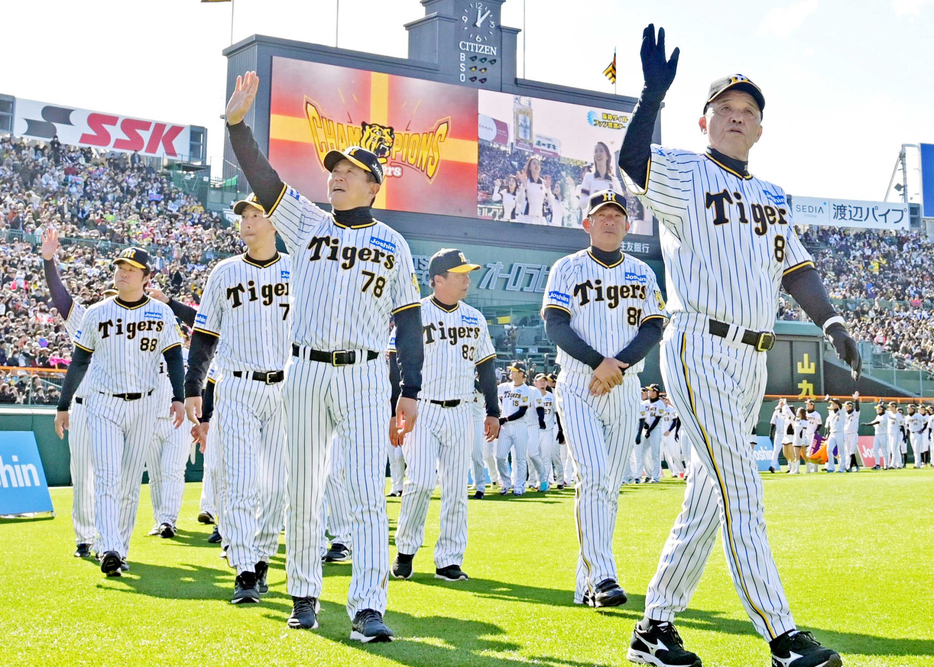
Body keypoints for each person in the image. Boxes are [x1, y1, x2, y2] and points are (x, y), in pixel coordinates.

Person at [618, 25, 858, 667]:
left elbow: (796, 268)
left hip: (752, 354)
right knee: (740, 490)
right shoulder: (685, 171)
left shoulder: (774, 196)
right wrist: (648, 100)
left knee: (708, 498)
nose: (736, 117)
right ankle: (781, 634)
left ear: (759, 129)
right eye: (725, 109)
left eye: (747, 112)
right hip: (699, 343)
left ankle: (653, 628)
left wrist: (830, 322)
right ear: (705, 121)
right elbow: (632, 163)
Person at [224, 71, 423, 641]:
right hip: (305, 370)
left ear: (373, 187)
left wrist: (408, 389)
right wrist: (238, 125)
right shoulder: (306, 223)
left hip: (364, 374)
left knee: (362, 489)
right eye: (333, 171)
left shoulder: (393, 243)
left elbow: (408, 320)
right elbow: (263, 178)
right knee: (303, 488)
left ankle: (366, 606)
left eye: (350, 173)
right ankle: (305, 594)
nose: (337, 178)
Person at [542, 189, 665, 607]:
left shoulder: (643, 272)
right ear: (587, 224)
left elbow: (653, 327)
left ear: (628, 226)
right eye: (602, 215)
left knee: (608, 487)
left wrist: (620, 365)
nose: (610, 220)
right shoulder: (567, 267)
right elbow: (555, 324)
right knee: (593, 476)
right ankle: (604, 575)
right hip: (579, 382)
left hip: (624, 385)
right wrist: (599, 362)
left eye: (617, 215)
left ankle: (586, 584)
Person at [183, 194, 291, 605]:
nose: (246, 221)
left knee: (278, 486)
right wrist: (194, 386)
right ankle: (245, 569)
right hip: (238, 385)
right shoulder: (224, 272)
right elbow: (205, 334)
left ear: (274, 222)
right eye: (242, 215)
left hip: (286, 386)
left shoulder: (298, 271)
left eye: (255, 214)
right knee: (242, 482)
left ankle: (261, 556)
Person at [53, 247, 185, 577]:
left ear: (145, 277)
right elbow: (79, 361)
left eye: (131, 268)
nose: (123, 272)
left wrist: (179, 398)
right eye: (120, 266)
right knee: (109, 478)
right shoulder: (96, 313)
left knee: (127, 482)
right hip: (103, 403)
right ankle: (109, 546)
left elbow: (173, 358)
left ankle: (119, 549)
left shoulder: (160, 313)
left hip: (145, 404)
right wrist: (62, 405)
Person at [390, 249, 499, 583]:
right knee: (420, 480)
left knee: (455, 489)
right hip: (422, 407)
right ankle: (406, 551)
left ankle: (448, 560)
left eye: (468, 273)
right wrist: (394, 408)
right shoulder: (414, 314)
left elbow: (487, 367)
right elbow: (394, 363)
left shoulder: (475, 318)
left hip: (461, 410)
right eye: (460, 274)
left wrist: (493, 411)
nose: (467, 279)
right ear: (438, 279)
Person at [39, 227, 117, 558]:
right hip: (85, 407)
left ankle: (111, 540)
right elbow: (61, 300)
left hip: (117, 408)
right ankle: (86, 538)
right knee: (82, 474)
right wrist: (48, 261)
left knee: (111, 478)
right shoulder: (89, 318)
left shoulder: (140, 321)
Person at [496, 362, 534, 495]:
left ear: (521, 373)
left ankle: (519, 486)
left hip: (519, 426)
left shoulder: (526, 389)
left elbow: (522, 411)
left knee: (520, 458)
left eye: (514, 371)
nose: (511, 373)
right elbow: (491, 390)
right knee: (500, 456)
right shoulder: (505, 386)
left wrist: (505, 419)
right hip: (505, 427)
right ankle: (506, 483)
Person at [533, 373, 560, 488]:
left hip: (548, 430)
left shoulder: (552, 397)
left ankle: (544, 482)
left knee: (546, 457)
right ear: (535, 383)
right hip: (534, 430)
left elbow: (557, 413)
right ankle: (535, 480)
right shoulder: (532, 395)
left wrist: (561, 430)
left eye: (544, 381)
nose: (543, 383)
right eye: (540, 381)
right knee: (534, 456)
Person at [516, 157, 556, 225]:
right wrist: (523, 186)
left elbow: (551, 201)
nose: (536, 166)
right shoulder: (526, 181)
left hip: (540, 219)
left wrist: (548, 189)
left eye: (538, 164)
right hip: (527, 218)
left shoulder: (544, 183)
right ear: (530, 167)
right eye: (534, 164)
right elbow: (519, 201)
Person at [768, 399, 794, 473]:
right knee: (776, 450)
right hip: (778, 434)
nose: (781, 404)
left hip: (786, 434)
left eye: (783, 403)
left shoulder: (787, 412)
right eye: (780, 403)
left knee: (788, 451)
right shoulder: (776, 413)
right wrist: (771, 433)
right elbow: (773, 423)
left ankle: (790, 467)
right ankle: (773, 466)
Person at [823, 397, 845, 474]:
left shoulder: (842, 411)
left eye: (833, 403)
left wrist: (832, 399)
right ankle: (831, 467)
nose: (832, 404)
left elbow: (841, 406)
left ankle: (842, 468)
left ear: (837, 404)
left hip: (840, 432)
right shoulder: (831, 412)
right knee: (828, 449)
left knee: (841, 451)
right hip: (832, 433)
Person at [867, 403, 888, 470]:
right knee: (875, 449)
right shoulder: (878, 416)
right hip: (877, 434)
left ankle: (886, 465)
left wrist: (868, 424)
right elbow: (873, 422)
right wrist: (869, 423)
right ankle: (877, 464)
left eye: (878, 409)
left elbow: (877, 422)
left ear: (882, 410)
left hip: (883, 434)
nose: (877, 410)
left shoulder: (885, 416)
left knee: (884, 450)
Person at [842, 394, 861, 472]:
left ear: (850, 406)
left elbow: (857, 408)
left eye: (847, 406)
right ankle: (856, 466)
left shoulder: (855, 413)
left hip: (853, 434)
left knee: (852, 451)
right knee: (849, 451)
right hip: (846, 434)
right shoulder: (845, 414)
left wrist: (856, 400)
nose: (846, 408)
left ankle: (849, 467)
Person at [905, 404, 926, 468]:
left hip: (918, 433)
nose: (908, 409)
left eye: (909, 408)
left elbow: (925, 422)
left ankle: (917, 464)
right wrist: (908, 432)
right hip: (912, 433)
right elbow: (907, 425)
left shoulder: (918, 415)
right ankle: (917, 463)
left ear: (913, 409)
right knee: (914, 449)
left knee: (917, 449)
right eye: (908, 408)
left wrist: (922, 430)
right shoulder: (907, 417)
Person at [886, 403, 903, 469]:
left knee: (894, 449)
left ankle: (893, 464)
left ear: (894, 407)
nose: (889, 408)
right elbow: (883, 410)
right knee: (895, 449)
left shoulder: (898, 415)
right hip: (890, 433)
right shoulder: (889, 413)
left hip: (896, 433)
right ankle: (899, 464)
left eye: (890, 406)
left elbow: (901, 425)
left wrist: (903, 435)